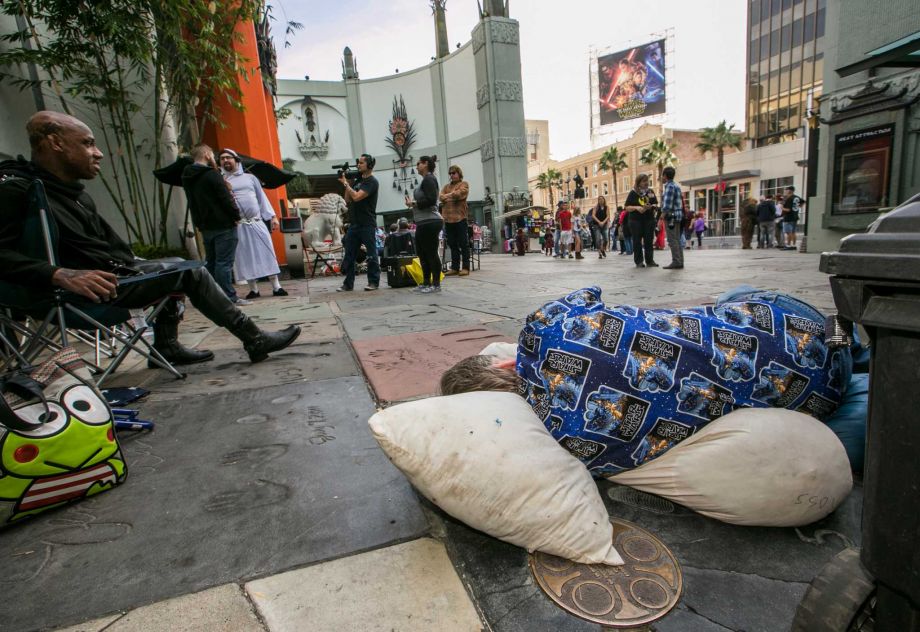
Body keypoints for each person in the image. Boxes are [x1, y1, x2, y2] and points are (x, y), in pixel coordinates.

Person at [440, 285, 851, 475]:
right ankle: (857, 343)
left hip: (819, 398)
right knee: (730, 299)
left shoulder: (572, 449)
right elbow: (591, 294)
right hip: (808, 326)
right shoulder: (543, 326)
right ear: (502, 366)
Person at [0, 111, 300, 365]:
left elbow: (110, 247)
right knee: (190, 271)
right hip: (72, 294)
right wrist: (58, 274)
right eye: (88, 144)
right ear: (55, 143)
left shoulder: (72, 194)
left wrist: (138, 263)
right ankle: (254, 338)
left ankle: (165, 347)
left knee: (175, 265)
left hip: (109, 277)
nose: (98, 152)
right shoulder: (20, 192)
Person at [182, 144, 248, 305]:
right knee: (224, 263)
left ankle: (210, 295)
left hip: (205, 225)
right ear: (206, 154)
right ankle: (228, 296)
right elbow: (225, 199)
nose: (214, 157)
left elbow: (193, 201)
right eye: (212, 154)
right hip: (224, 224)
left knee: (211, 261)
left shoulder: (187, 176)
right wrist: (235, 215)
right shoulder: (212, 174)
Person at [218, 149, 287, 299]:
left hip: (256, 222)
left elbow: (261, 198)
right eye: (222, 159)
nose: (225, 161)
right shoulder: (220, 180)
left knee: (267, 252)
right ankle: (253, 289)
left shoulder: (250, 178)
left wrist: (272, 216)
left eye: (228, 158)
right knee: (244, 256)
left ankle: (276, 286)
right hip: (238, 225)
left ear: (236, 160)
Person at [337, 154, 381, 292]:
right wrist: (349, 183)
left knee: (371, 253)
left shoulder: (372, 182)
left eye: (361, 163)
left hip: (367, 223)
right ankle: (348, 284)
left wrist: (345, 183)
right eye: (358, 163)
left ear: (369, 165)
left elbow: (356, 197)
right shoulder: (357, 180)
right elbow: (348, 199)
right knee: (349, 253)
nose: (358, 165)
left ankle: (373, 282)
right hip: (354, 224)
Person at [405, 155, 443, 293]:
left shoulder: (429, 179)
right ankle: (426, 282)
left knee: (431, 253)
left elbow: (432, 200)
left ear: (426, 164)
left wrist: (413, 203)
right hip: (423, 222)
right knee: (422, 253)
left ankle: (436, 284)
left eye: (418, 163)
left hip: (431, 221)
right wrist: (413, 205)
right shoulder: (425, 180)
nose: (416, 166)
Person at [439, 164, 471, 277]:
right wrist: (450, 196)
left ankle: (466, 268)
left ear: (459, 173)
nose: (452, 175)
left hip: (460, 218)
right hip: (448, 219)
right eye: (450, 173)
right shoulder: (446, 186)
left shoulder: (464, 184)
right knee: (452, 244)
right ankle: (455, 268)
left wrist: (447, 197)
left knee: (463, 243)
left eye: (454, 173)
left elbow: (460, 194)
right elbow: (440, 197)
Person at [624, 174, 659, 268]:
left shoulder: (650, 192)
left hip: (649, 220)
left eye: (647, 180)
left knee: (648, 241)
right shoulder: (633, 193)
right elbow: (627, 207)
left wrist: (652, 206)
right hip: (636, 221)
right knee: (637, 241)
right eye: (644, 181)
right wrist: (637, 208)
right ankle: (639, 261)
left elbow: (655, 203)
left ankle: (650, 261)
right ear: (638, 182)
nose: (646, 183)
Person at [660, 166, 684, 270]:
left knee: (672, 240)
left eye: (662, 175)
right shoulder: (676, 186)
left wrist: (662, 217)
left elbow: (667, 205)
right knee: (677, 239)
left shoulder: (669, 186)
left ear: (665, 175)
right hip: (678, 216)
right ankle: (680, 261)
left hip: (671, 217)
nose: (661, 177)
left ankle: (676, 261)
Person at [781, 185, 804, 250]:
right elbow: (803, 202)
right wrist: (798, 206)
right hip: (795, 216)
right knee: (793, 232)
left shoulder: (789, 198)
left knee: (788, 232)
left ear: (790, 191)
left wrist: (782, 208)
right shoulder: (796, 197)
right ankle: (794, 245)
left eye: (787, 190)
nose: (785, 191)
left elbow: (788, 210)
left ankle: (788, 245)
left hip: (788, 217)